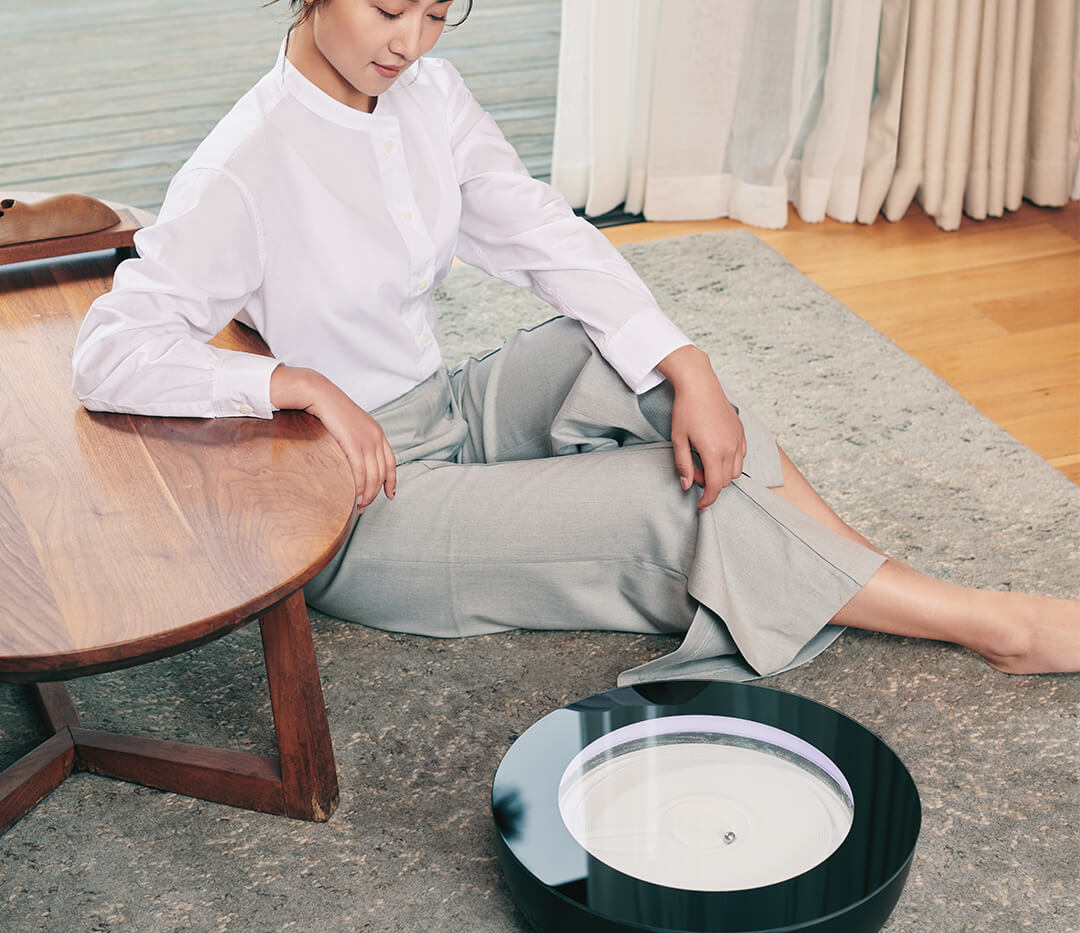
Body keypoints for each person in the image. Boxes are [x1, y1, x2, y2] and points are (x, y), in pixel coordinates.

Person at [72, 0, 1079, 683]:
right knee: (670, 498)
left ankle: (859, 575)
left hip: (445, 411)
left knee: (640, 372)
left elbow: (544, 235)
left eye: (438, 12)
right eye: (389, 9)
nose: (411, 42)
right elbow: (108, 352)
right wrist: (297, 384)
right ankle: (989, 623)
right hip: (358, 500)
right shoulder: (242, 166)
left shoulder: (431, 98)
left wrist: (688, 362)